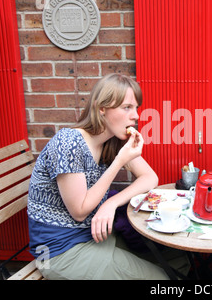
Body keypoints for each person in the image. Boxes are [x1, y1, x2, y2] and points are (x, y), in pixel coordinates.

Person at [27, 74, 174, 280]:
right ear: (101, 108)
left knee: (176, 262)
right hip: (60, 252)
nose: (136, 116)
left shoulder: (112, 140)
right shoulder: (68, 143)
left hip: (95, 237)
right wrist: (119, 162)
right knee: (162, 279)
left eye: (136, 108)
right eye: (127, 107)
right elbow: (79, 211)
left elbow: (150, 178)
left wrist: (110, 204)